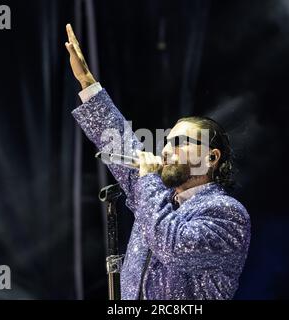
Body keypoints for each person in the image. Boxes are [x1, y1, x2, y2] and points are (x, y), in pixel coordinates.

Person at [65, 24, 250, 300]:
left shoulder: (226, 213)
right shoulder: (157, 196)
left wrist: (148, 181)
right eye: (166, 141)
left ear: (211, 157)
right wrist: (88, 84)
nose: (165, 150)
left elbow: (172, 246)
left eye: (179, 143)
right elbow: (119, 142)